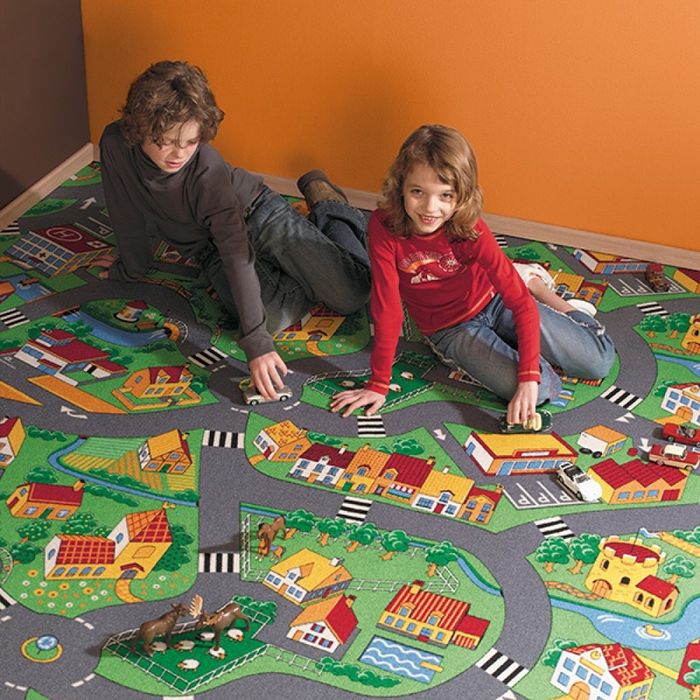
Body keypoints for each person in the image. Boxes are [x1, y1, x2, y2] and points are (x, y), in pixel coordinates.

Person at [95, 60, 370, 399]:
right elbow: (124, 209)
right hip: (208, 248)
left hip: (258, 214)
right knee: (268, 319)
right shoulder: (115, 144)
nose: (179, 154)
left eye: (191, 141)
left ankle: (329, 204)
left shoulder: (207, 172)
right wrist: (132, 266)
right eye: (165, 141)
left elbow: (237, 254)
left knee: (354, 294)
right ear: (138, 127)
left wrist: (256, 346)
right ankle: (303, 262)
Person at [331, 124, 615, 425]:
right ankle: (529, 325)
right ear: (400, 186)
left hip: (495, 300)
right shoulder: (383, 227)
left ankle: (539, 288)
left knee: (598, 361)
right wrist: (378, 383)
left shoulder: (470, 228)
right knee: (543, 390)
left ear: (462, 195)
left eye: (446, 195)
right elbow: (387, 309)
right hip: (450, 328)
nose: (430, 208)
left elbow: (519, 303)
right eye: (417, 192)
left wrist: (528, 372)